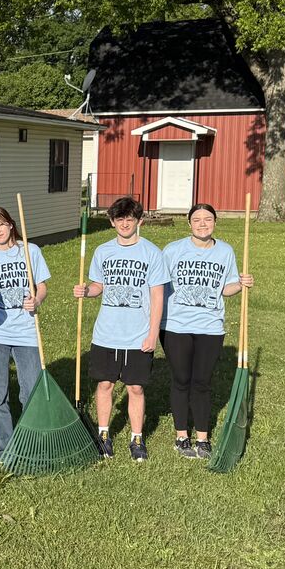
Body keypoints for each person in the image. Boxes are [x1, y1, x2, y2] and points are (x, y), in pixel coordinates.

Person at [73, 196, 168, 462]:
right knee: (105, 384)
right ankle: (104, 434)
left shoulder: (152, 253)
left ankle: (136, 438)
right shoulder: (103, 251)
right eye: (120, 219)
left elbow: (158, 296)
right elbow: (99, 286)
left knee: (135, 388)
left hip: (138, 335)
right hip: (106, 333)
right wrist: (87, 291)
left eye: (130, 219)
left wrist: (152, 333)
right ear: (113, 222)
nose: (125, 223)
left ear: (139, 220)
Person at [160, 203, 254, 459]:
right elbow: (157, 286)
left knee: (201, 382)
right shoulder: (172, 250)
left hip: (210, 327)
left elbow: (225, 288)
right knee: (181, 379)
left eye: (208, 219)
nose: (203, 224)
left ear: (215, 222)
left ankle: (202, 438)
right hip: (175, 325)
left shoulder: (225, 251)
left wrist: (241, 284)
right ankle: (181, 436)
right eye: (197, 219)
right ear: (189, 223)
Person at [0, 205, 50, 455]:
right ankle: (6, 447)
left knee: (29, 391)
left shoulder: (30, 251)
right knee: (0, 395)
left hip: (26, 331)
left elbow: (42, 286)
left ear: (10, 225)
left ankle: (31, 443)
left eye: (0, 225)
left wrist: (37, 300)